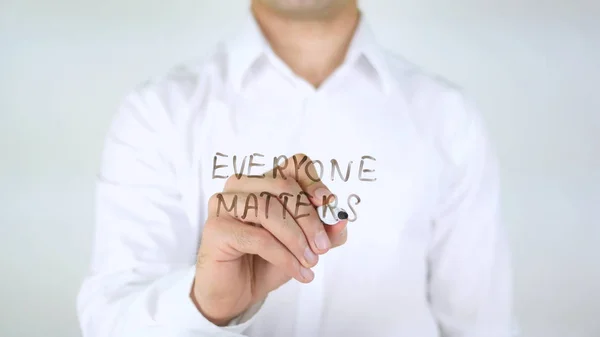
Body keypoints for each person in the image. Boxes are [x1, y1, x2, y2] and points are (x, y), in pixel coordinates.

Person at [76, 0, 515, 336]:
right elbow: (110, 319)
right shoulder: (157, 113)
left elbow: (482, 325)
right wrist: (205, 304)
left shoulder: (449, 118)